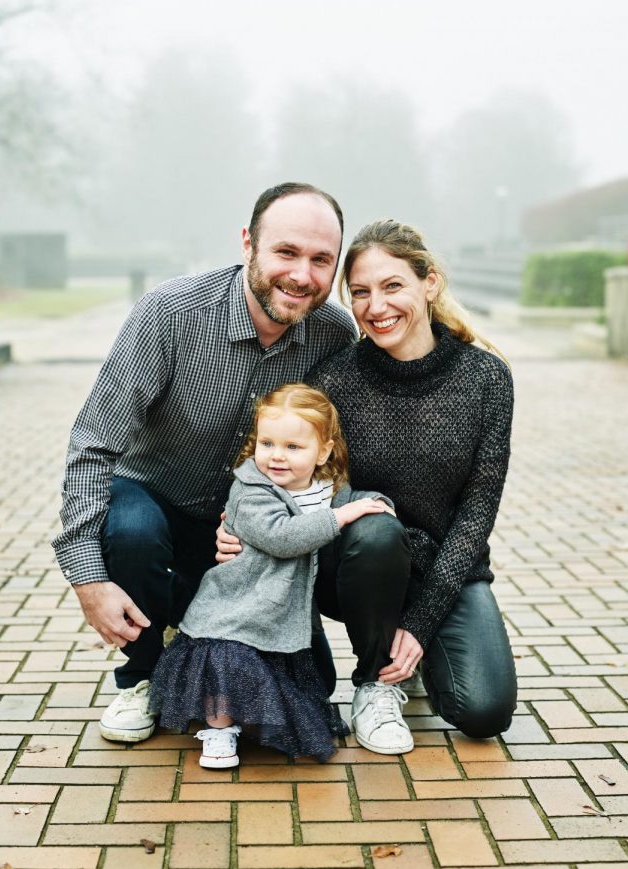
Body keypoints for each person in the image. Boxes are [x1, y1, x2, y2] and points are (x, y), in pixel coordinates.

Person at [51, 182, 365, 743]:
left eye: (322, 260)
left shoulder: (334, 334)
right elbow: (92, 445)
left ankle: (195, 632)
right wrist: (87, 578)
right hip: (156, 500)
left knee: (313, 685)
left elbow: (334, 449)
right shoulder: (170, 315)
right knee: (132, 531)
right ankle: (140, 677)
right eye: (287, 252)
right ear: (248, 243)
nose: (303, 275)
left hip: (252, 522)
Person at [218, 220, 517, 751]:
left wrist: (420, 625)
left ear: (430, 283)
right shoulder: (334, 378)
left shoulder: (487, 378)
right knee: (376, 527)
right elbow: (279, 464)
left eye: (392, 286)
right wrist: (236, 522)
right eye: (359, 292)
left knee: (484, 710)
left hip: (443, 567)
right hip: (352, 562)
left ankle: (411, 658)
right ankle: (373, 684)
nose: (376, 306)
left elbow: (477, 511)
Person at [150, 384, 397, 767]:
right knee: (226, 667)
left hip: (283, 613)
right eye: (267, 443)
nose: (277, 457)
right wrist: (342, 516)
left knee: (318, 684)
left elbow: (349, 501)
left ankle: (253, 715)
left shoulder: (323, 490)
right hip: (237, 611)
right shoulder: (251, 492)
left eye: (293, 447)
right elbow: (282, 538)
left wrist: (375, 504)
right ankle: (218, 732)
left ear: (324, 452)